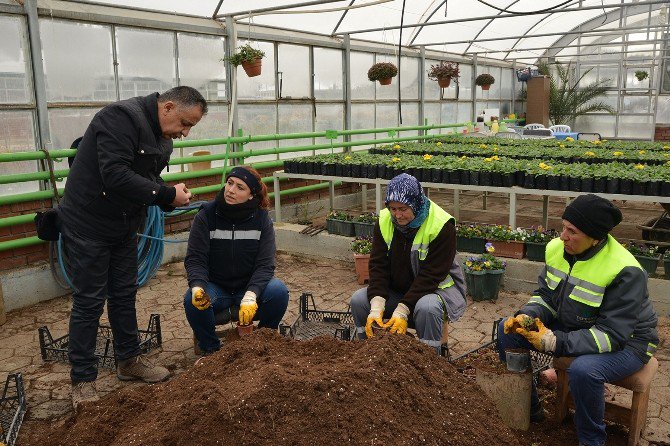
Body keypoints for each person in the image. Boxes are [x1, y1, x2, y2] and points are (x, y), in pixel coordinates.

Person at [57, 86, 207, 411]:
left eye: (190, 128)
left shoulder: (163, 139)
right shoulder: (120, 118)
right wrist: (167, 195)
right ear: (167, 107)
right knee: (89, 301)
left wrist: (170, 196)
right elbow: (114, 175)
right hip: (88, 222)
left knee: (124, 293)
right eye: (185, 123)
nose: (185, 133)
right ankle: (82, 381)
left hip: (123, 224)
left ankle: (128, 361)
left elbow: (146, 181)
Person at [497, 194, 659, 446]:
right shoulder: (556, 249)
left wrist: (554, 341)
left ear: (595, 238)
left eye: (572, 231)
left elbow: (611, 335)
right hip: (578, 325)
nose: (563, 236)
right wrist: (528, 316)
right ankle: (530, 410)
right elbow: (546, 296)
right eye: (563, 226)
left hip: (630, 343)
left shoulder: (625, 270)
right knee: (508, 330)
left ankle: (591, 439)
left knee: (585, 370)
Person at [350, 173, 466, 353]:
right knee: (359, 300)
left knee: (427, 308)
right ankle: (367, 353)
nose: (397, 215)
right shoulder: (384, 221)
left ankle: (433, 360)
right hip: (398, 291)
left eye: (403, 209)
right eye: (393, 209)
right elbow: (378, 265)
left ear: (416, 204)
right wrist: (377, 306)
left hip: (433, 292)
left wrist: (403, 310)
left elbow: (431, 275)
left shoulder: (441, 226)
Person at [184, 166, 289, 355]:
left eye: (240, 187)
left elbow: (265, 264)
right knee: (191, 300)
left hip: (247, 288)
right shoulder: (206, 215)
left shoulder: (261, 220)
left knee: (279, 291)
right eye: (230, 183)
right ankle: (211, 350)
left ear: (251, 196)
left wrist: (252, 294)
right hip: (217, 288)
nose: (231, 190)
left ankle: (263, 341)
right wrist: (198, 286)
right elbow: (195, 258)